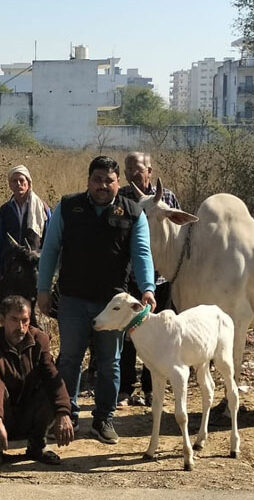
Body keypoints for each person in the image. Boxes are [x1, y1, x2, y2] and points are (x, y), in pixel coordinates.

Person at [36, 156, 156, 445]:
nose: (102, 185)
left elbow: (142, 253)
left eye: (109, 180)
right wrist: (43, 288)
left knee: (109, 362)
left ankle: (103, 420)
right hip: (73, 299)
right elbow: (50, 250)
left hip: (112, 305)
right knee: (69, 359)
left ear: (118, 182)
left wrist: (148, 288)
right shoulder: (68, 207)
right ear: (88, 181)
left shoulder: (133, 213)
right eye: (97, 179)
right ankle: (67, 416)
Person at [0, 295, 74, 465]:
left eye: (25, 320)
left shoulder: (39, 340)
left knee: (48, 387)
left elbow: (51, 376)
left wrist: (64, 412)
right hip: (0, 418)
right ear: (2, 320)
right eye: (14, 320)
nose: (20, 327)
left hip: (29, 414)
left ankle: (37, 445)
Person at [116, 151, 181, 407]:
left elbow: (177, 236)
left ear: (150, 171)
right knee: (129, 332)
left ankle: (152, 388)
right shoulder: (120, 197)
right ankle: (125, 388)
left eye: (138, 169)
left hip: (162, 278)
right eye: (129, 169)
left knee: (159, 332)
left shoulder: (168, 198)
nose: (133, 173)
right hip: (130, 276)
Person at [0, 164, 50, 271]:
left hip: (35, 269)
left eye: (21, 180)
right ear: (10, 185)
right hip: (10, 269)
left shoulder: (42, 209)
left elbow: (50, 240)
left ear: (28, 182)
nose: (19, 184)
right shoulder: (4, 211)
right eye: (14, 181)